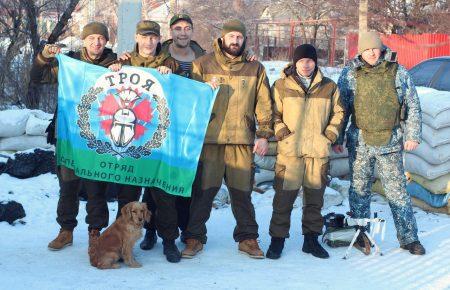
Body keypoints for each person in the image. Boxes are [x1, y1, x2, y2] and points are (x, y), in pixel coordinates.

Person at [181, 19, 273, 259]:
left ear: (244, 40)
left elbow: (264, 105)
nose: (235, 40)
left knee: (242, 194)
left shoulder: (255, 68)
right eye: (231, 36)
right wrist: (204, 90)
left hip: (241, 141)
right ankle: (194, 238)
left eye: (239, 37)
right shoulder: (202, 64)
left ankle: (248, 238)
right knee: (203, 193)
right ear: (222, 39)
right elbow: (189, 101)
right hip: (210, 141)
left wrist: (263, 135)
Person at [335, 31, 426, 255]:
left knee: (397, 192)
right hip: (360, 141)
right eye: (367, 49)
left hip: (390, 142)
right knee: (358, 190)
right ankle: (360, 234)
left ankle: (409, 238)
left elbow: (412, 104)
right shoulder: (350, 74)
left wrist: (413, 135)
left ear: (381, 48)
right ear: (361, 52)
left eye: (374, 48)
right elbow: (341, 108)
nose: (371, 52)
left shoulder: (397, 72)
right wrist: (338, 136)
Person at [30, 22, 116, 252]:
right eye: (91, 38)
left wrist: (122, 67)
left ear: (106, 41)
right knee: (68, 185)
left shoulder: (115, 64)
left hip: (99, 136)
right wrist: (44, 57)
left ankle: (96, 232)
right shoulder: (70, 63)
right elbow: (38, 77)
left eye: (100, 38)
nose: (96, 42)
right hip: (69, 132)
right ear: (84, 40)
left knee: (96, 188)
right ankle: (66, 230)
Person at [109, 20, 181, 263]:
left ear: (159, 39)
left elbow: (184, 90)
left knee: (163, 196)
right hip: (131, 142)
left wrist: (172, 75)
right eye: (145, 36)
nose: (149, 41)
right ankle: (122, 240)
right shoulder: (125, 62)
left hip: (160, 141)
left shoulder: (169, 62)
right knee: (127, 196)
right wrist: (114, 68)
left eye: (153, 37)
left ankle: (168, 240)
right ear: (137, 38)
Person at [266, 44, 345, 259]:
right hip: (290, 153)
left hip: (317, 153)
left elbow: (339, 113)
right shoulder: (281, 86)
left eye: (310, 60)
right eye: (301, 60)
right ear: (295, 62)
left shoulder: (329, 87)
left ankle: (310, 240)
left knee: (314, 201)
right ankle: (277, 241)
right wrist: (282, 133)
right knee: (283, 200)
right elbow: (273, 113)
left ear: (315, 62)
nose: (306, 64)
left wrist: (329, 135)